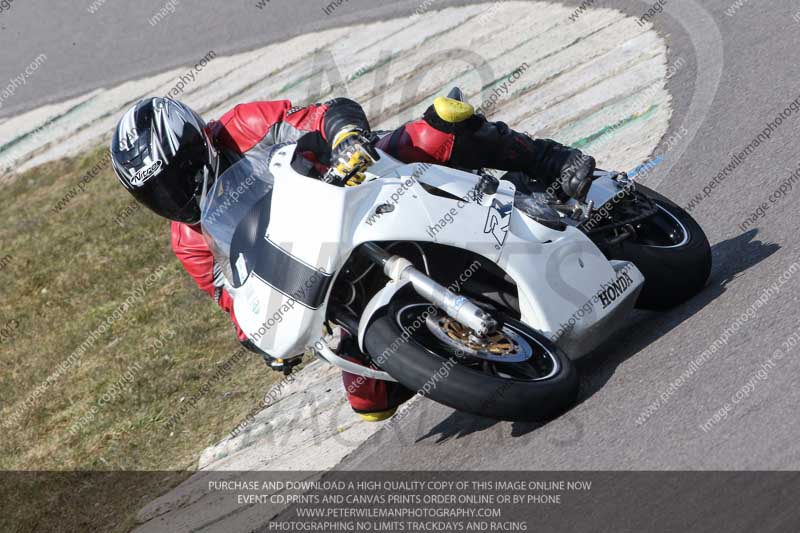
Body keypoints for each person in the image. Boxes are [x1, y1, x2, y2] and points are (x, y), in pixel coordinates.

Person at [110, 95, 596, 422]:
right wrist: (260, 342)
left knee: (436, 127)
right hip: (318, 269)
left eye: (175, 177)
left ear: (196, 146)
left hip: (359, 188)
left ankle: (546, 162)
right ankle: (458, 341)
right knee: (370, 404)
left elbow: (326, 114)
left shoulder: (244, 125)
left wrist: (344, 136)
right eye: (154, 192)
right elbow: (233, 297)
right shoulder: (188, 238)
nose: (171, 196)